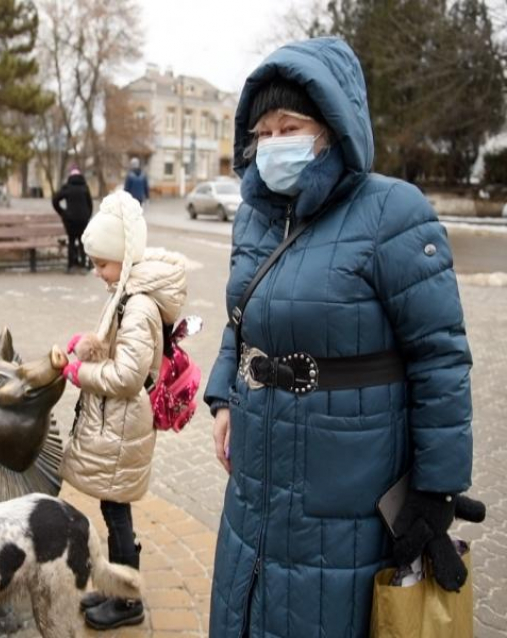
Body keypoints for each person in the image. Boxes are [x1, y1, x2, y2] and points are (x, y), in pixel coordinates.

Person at [204, 37, 483, 637]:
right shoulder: (256, 216)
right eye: (265, 131)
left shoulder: (392, 212)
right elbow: (240, 320)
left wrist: (436, 491)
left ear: (331, 127)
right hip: (255, 477)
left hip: (347, 490)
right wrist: (224, 396)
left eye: (291, 126)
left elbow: (439, 358)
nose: (275, 143)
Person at [60, 190, 187, 630]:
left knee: (117, 513)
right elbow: (117, 352)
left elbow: (127, 376)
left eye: (101, 264)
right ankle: (118, 588)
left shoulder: (138, 304)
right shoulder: (125, 291)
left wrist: (80, 374)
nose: (97, 273)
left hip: (123, 424)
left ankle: (127, 600)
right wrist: (90, 346)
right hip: (116, 424)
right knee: (114, 511)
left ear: (124, 257)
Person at [52, 166, 94, 271]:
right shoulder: (85, 187)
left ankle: (71, 266)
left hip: (70, 220)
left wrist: (62, 212)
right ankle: (83, 265)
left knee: (71, 241)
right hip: (83, 220)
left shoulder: (67, 187)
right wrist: (87, 215)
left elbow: (55, 200)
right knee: (82, 242)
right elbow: (90, 204)